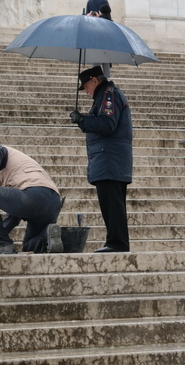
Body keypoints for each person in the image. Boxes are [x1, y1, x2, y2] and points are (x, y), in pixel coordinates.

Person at [69, 66, 133, 253]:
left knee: (112, 205)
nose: (86, 91)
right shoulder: (105, 95)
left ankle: (117, 243)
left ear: (95, 81)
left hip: (109, 159)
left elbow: (108, 123)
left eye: (86, 86)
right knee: (112, 205)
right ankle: (115, 242)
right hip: (110, 159)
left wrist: (83, 120)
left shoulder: (108, 95)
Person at [0, 144, 63, 254]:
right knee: (29, 246)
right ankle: (48, 236)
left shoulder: (5, 154)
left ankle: (2, 245)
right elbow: (13, 217)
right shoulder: (20, 168)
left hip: (33, 195)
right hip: (54, 202)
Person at [89, 3, 113, 78]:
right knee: (106, 71)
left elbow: (90, 30)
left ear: (101, 12)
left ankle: (97, 83)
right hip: (107, 49)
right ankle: (106, 85)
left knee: (96, 69)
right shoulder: (111, 22)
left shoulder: (98, 22)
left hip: (97, 47)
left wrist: (89, 17)